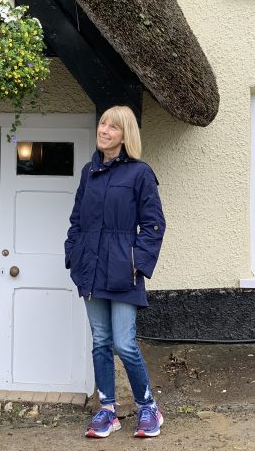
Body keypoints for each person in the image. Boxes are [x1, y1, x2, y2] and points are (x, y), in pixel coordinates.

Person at [65, 105, 166, 439]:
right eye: (102, 124)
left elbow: (154, 225)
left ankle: (148, 406)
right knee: (100, 341)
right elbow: (77, 220)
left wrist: (137, 262)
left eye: (112, 126)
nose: (104, 130)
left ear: (125, 135)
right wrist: (73, 255)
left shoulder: (139, 173)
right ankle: (107, 411)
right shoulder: (88, 172)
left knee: (124, 343)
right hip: (90, 268)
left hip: (123, 270)